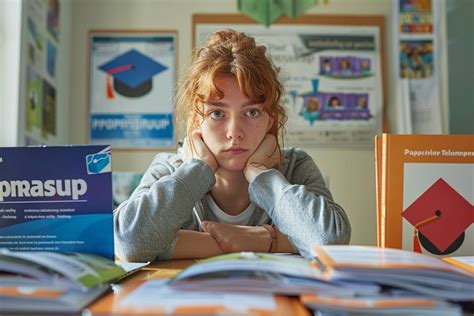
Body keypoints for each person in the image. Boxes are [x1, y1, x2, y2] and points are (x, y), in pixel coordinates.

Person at [114, 29, 351, 262]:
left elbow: (329, 242)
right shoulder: (170, 169)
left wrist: (262, 175)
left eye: (251, 112)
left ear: (271, 118)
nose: (234, 133)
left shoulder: (295, 166)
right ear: (197, 120)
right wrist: (198, 170)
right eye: (217, 113)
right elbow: (129, 243)